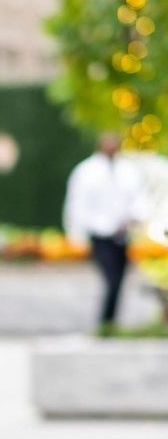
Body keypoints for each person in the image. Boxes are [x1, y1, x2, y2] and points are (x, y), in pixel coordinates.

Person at [63, 130, 149, 334]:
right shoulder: (86, 171)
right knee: (111, 278)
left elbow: (138, 198)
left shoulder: (128, 170)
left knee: (118, 280)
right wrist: (77, 235)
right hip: (99, 235)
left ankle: (109, 323)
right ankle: (105, 322)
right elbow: (77, 204)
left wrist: (137, 218)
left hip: (121, 234)